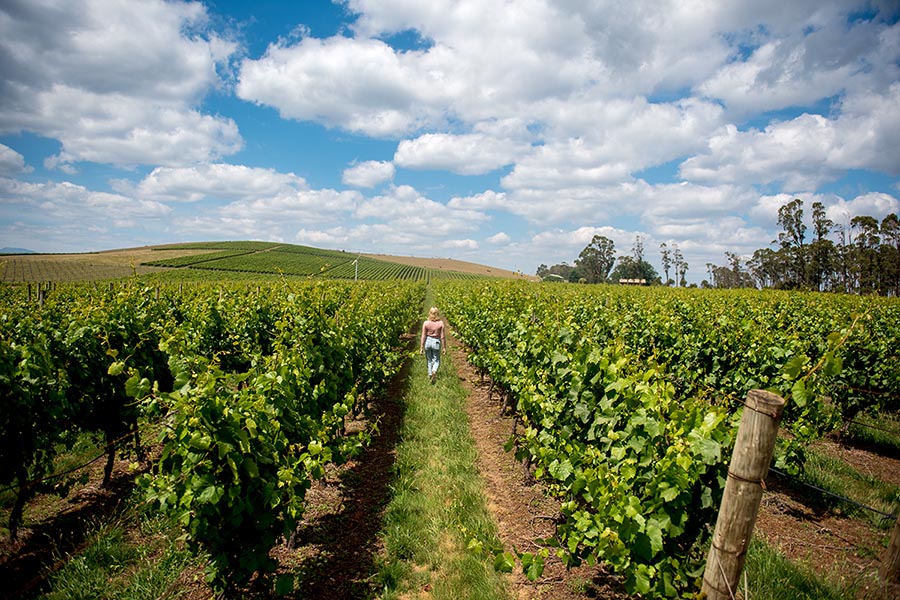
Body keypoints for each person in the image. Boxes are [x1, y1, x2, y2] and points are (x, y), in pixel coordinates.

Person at [420, 306, 446, 384]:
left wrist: (421, 347)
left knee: (429, 359)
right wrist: (444, 347)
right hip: (436, 342)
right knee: (436, 360)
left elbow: (423, 336)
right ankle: (434, 371)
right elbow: (443, 337)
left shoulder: (426, 323)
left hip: (428, 342)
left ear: (429, 313)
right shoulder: (440, 323)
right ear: (438, 314)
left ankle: (430, 374)